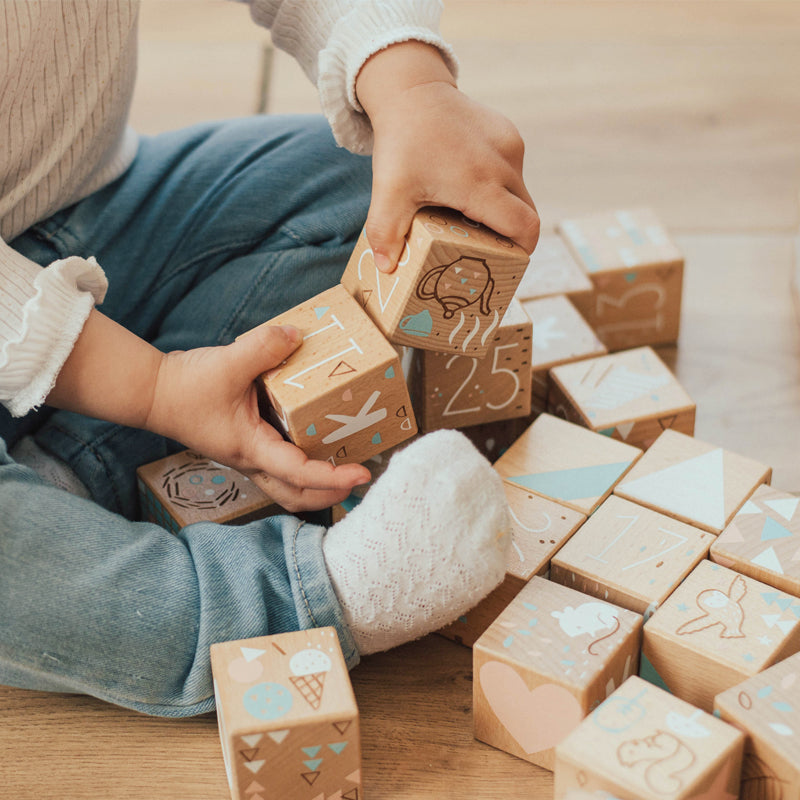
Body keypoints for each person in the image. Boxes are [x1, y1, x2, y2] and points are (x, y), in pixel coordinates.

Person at [0, 0, 539, 716]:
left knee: (357, 182)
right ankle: (319, 594)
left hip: (86, 209)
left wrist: (408, 87)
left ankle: (68, 472)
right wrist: (154, 387)